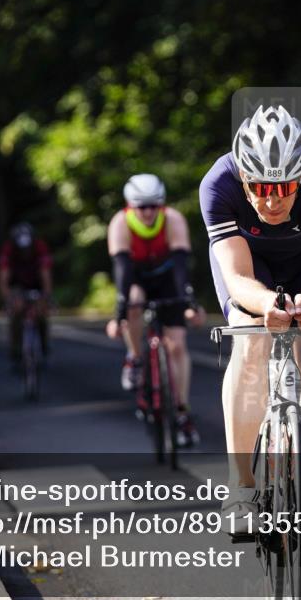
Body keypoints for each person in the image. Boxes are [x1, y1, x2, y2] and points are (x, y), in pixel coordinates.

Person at [200, 104, 301, 562]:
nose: (271, 200)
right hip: (251, 271)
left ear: (300, 178)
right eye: (260, 188)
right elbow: (238, 278)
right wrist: (268, 305)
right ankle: (242, 487)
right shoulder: (217, 185)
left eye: (283, 187)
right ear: (243, 180)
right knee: (249, 345)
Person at [106, 173, 204, 447]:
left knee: (177, 346)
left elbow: (182, 267)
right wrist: (119, 314)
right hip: (136, 278)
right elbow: (123, 272)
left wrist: (189, 302)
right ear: (130, 205)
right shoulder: (120, 223)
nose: (148, 212)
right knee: (134, 300)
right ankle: (136, 358)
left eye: (153, 205)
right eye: (141, 206)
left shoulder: (172, 219)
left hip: (167, 279)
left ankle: (182, 412)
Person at [0, 222, 53, 369]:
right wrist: (8, 298)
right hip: (17, 283)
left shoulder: (40, 247)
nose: (25, 252)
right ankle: (16, 349)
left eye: (27, 249)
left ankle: (43, 344)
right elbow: (4, 279)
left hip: (36, 282)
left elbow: (45, 275)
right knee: (16, 310)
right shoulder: (9, 250)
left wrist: (46, 296)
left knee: (41, 313)